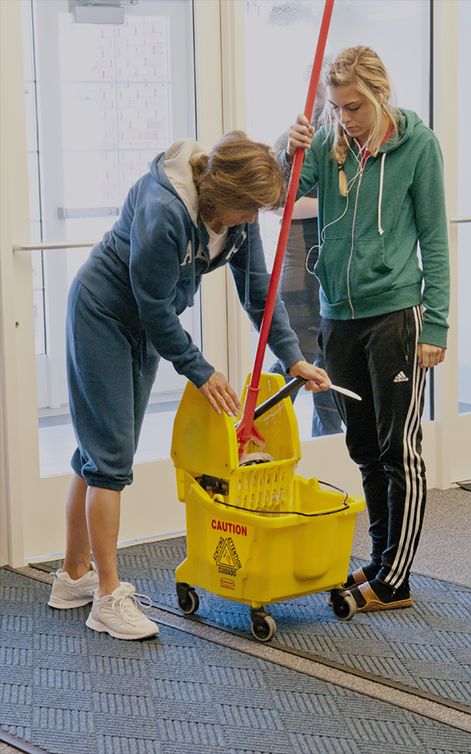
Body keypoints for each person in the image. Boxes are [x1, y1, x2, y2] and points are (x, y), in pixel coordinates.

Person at [48, 131, 331, 639]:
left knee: (102, 450)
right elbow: (154, 307)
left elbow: (258, 290)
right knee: (110, 460)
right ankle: (107, 597)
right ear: (226, 195)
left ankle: (73, 576)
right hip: (102, 315)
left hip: (142, 322)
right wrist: (200, 370)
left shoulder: (239, 223)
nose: (252, 221)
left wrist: (292, 359)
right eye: (250, 210)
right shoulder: (165, 211)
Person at [282, 46, 449, 613]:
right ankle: (381, 561)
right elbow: (280, 197)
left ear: (381, 95)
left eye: (354, 107)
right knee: (361, 447)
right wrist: (292, 147)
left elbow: (435, 239)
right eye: (337, 108)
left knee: (398, 447)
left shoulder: (418, 146)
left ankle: (396, 579)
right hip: (338, 314)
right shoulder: (329, 147)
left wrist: (439, 322)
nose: (346, 118)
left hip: (398, 314)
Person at [271, 84, 343, 437]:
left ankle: (327, 445)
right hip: (299, 268)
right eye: (320, 95)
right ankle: (258, 435)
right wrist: (340, 206)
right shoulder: (292, 142)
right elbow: (280, 204)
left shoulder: (342, 142)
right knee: (293, 357)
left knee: (329, 363)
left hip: (332, 269)